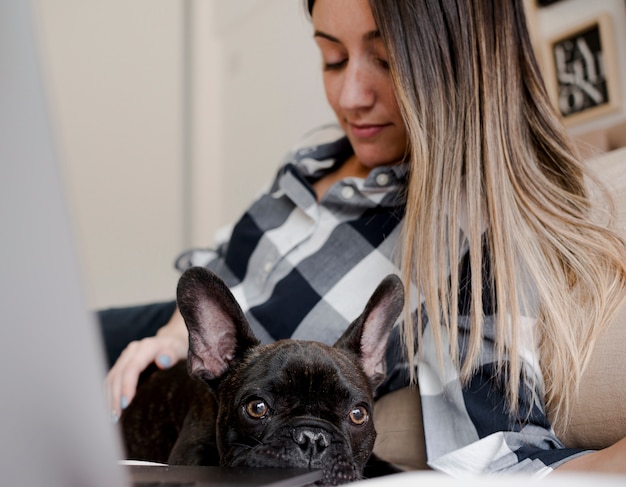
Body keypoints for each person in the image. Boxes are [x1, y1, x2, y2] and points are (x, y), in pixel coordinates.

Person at [103, 0, 626, 476]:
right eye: (332, 59)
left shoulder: (476, 232)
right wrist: (175, 339)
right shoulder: (314, 158)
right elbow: (220, 261)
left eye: (387, 60)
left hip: (240, 403)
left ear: (464, 67)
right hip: (187, 349)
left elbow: (502, 437)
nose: (350, 96)